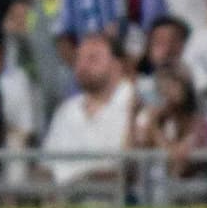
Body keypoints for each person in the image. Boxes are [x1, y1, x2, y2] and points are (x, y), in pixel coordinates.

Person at [42, 33, 138, 184]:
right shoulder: (67, 109)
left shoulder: (135, 104)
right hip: (59, 203)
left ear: (118, 65)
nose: (82, 66)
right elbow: (46, 165)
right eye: (78, 59)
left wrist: (78, 186)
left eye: (93, 59)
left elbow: (132, 169)